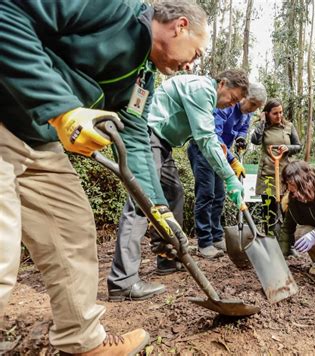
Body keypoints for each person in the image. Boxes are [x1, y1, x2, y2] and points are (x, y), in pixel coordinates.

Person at [0, 0, 209, 354]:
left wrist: (159, 210)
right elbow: (6, 13)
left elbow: (136, 138)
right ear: (180, 26)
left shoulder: (143, 76)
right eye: (196, 52)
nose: (191, 64)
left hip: (38, 139)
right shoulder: (110, 9)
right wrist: (61, 109)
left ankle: (83, 341)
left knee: (72, 230)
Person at [108, 69, 248, 295]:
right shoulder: (202, 89)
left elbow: (207, 135)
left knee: (174, 194)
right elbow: (205, 138)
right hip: (148, 136)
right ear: (222, 84)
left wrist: (228, 159)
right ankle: (122, 281)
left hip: (162, 144)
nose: (230, 105)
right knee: (141, 202)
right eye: (232, 98)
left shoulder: (207, 98)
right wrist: (229, 177)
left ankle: (167, 258)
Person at [187, 83, 267, 259]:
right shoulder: (226, 108)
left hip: (221, 155)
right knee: (206, 194)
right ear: (244, 97)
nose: (253, 109)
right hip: (203, 150)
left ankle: (216, 237)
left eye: (256, 107)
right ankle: (204, 242)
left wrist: (240, 138)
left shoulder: (247, 112)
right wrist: (232, 160)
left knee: (219, 195)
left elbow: (243, 129)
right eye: (252, 104)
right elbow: (213, 137)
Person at [251, 99, 301, 235]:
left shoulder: (289, 126)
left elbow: (298, 146)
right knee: (269, 210)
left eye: (281, 112)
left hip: (286, 175)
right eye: (275, 113)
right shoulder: (264, 128)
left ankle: (288, 243)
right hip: (268, 174)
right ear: (267, 114)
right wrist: (261, 122)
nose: (279, 116)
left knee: (287, 210)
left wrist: (288, 148)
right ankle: (270, 240)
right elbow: (254, 141)